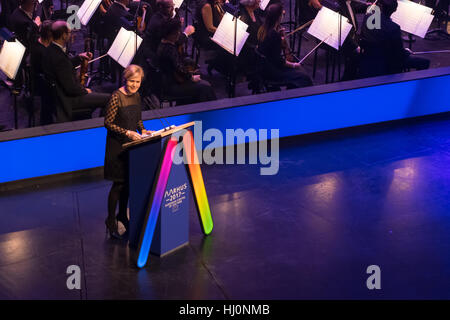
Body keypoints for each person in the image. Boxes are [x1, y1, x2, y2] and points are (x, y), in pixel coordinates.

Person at [104, 64, 150, 239]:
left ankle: (122, 215)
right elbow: (107, 123)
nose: (134, 85)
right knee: (118, 184)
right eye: (132, 81)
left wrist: (143, 130)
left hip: (131, 146)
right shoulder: (116, 97)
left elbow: (137, 118)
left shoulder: (137, 95)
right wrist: (127, 132)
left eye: (137, 82)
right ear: (126, 79)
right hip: (117, 146)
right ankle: (110, 220)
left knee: (129, 184)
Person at [42, 21, 110, 122]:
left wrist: (78, 57)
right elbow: (71, 88)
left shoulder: (50, 49)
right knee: (110, 99)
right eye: (69, 32)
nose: (71, 34)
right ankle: (99, 126)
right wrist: (85, 91)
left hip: (58, 96)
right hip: (68, 100)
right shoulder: (59, 58)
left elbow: (64, 65)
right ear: (64, 35)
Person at [359, 0, 430, 78]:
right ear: (395, 10)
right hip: (387, 63)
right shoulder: (393, 28)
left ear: (381, 7)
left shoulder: (368, 17)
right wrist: (406, 52)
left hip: (368, 58)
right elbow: (398, 54)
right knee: (425, 62)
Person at [156, 18, 216, 104]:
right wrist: (191, 78)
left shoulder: (164, 43)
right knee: (205, 86)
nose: (179, 34)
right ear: (172, 34)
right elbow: (179, 69)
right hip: (171, 86)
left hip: (168, 82)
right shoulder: (169, 50)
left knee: (200, 82)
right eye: (177, 32)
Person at [257, 3, 313, 88]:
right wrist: (294, 65)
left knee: (300, 74)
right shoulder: (273, 35)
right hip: (273, 72)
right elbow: (279, 61)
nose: (283, 12)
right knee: (304, 77)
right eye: (281, 12)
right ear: (279, 17)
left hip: (264, 67)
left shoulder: (263, 28)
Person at [30, 20, 53, 125]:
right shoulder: (44, 52)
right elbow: (51, 71)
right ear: (49, 35)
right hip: (42, 85)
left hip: (38, 79)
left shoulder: (37, 41)